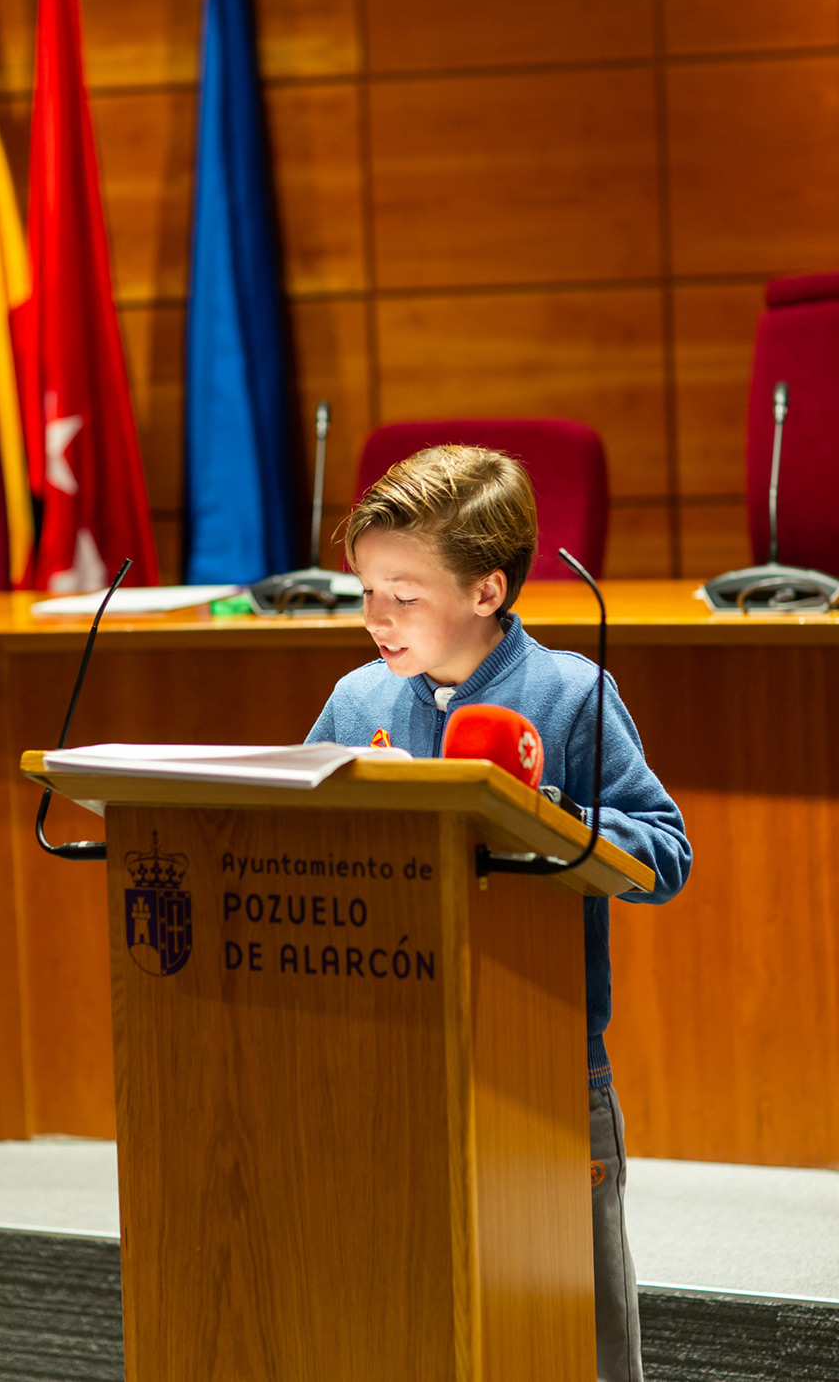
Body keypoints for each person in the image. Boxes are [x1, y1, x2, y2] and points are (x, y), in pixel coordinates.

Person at [306, 444, 691, 1382]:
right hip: (391, 1054)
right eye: (364, 591)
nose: (375, 619)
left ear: (486, 590)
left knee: (571, 1321)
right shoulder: (358, 700)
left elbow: (665, 854)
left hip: (546, 1070)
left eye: (403, 593)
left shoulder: (567, 695)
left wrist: (543, 817)